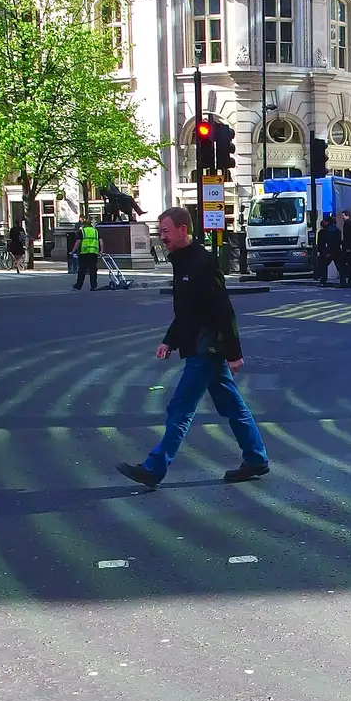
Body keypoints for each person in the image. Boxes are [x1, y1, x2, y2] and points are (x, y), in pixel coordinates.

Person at [117, 207, 270, 489]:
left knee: (181, 408)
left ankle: (154, 468)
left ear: (183, 230)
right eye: (160, 231)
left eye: (165, 231)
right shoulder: (183, 263)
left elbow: (223, 309)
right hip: (200, 345)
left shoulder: (202, 263)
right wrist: (169, 340)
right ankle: (256, 457)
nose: (161, 237)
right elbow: (187, 312)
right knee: (232, 405)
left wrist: (234, 353)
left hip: (206, 348)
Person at [73, 218, 101, 291]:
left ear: (84, 224)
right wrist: (101, 250)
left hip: (84, 253)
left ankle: (78, 286)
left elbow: (78, 242)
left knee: (82, 270)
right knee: (93, 270)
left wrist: (73, 250)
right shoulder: (95, 231)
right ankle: (93, 286)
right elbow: (101, 241)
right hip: (93, 253)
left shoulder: (82, 231)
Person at [325, 213, 344, 285]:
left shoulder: (327, 230)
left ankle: (323, 280)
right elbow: (339, 240)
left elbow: (327, 240)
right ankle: (343, 280)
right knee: (339, 266)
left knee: (324, 265)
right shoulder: (338, 230)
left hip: (330, 249)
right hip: (337, 250)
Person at [314, 217, 332, 284]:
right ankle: (324, 278)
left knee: (322, 265)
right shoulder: (328, 232)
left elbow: (319, 242)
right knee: (325, 265)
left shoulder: (320, 233)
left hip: (322, 250)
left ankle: (321, 278)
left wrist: (318, 251)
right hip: (326, 250)